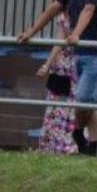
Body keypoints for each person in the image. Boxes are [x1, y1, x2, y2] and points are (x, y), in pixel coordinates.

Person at [17, 0, 97, 156]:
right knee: (86, 102)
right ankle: (92, 146)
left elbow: (89, 9)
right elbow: (53, 8)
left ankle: (78, 132)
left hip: (96, 51)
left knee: (83, 98)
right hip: (78, 53)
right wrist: (30, 32)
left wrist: (75, 34)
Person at [33, 17, 80, 156]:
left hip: (68, 65)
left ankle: (59, 145)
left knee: (61, 106)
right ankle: (65, 145)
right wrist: (48, 65)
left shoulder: (70, 16)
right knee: (64, 105)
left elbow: (58, 43)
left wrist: (48, 64)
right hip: (68, 66)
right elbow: (58, 43)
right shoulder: (69, 17)